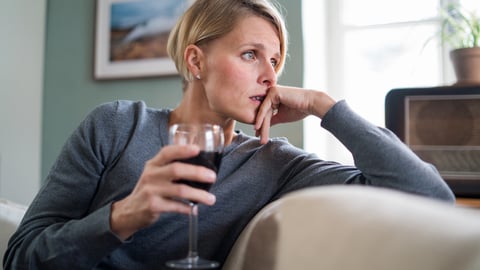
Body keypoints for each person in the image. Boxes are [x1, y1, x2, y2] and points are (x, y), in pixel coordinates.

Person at [4, 0, 455, 269]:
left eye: (274, 61)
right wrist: (122, 216)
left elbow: (429, 197)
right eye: (249, 55)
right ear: (196, 61)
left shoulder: (274, 161)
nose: (268, 76)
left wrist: (324, 105)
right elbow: (20, 258)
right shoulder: (116, 125)